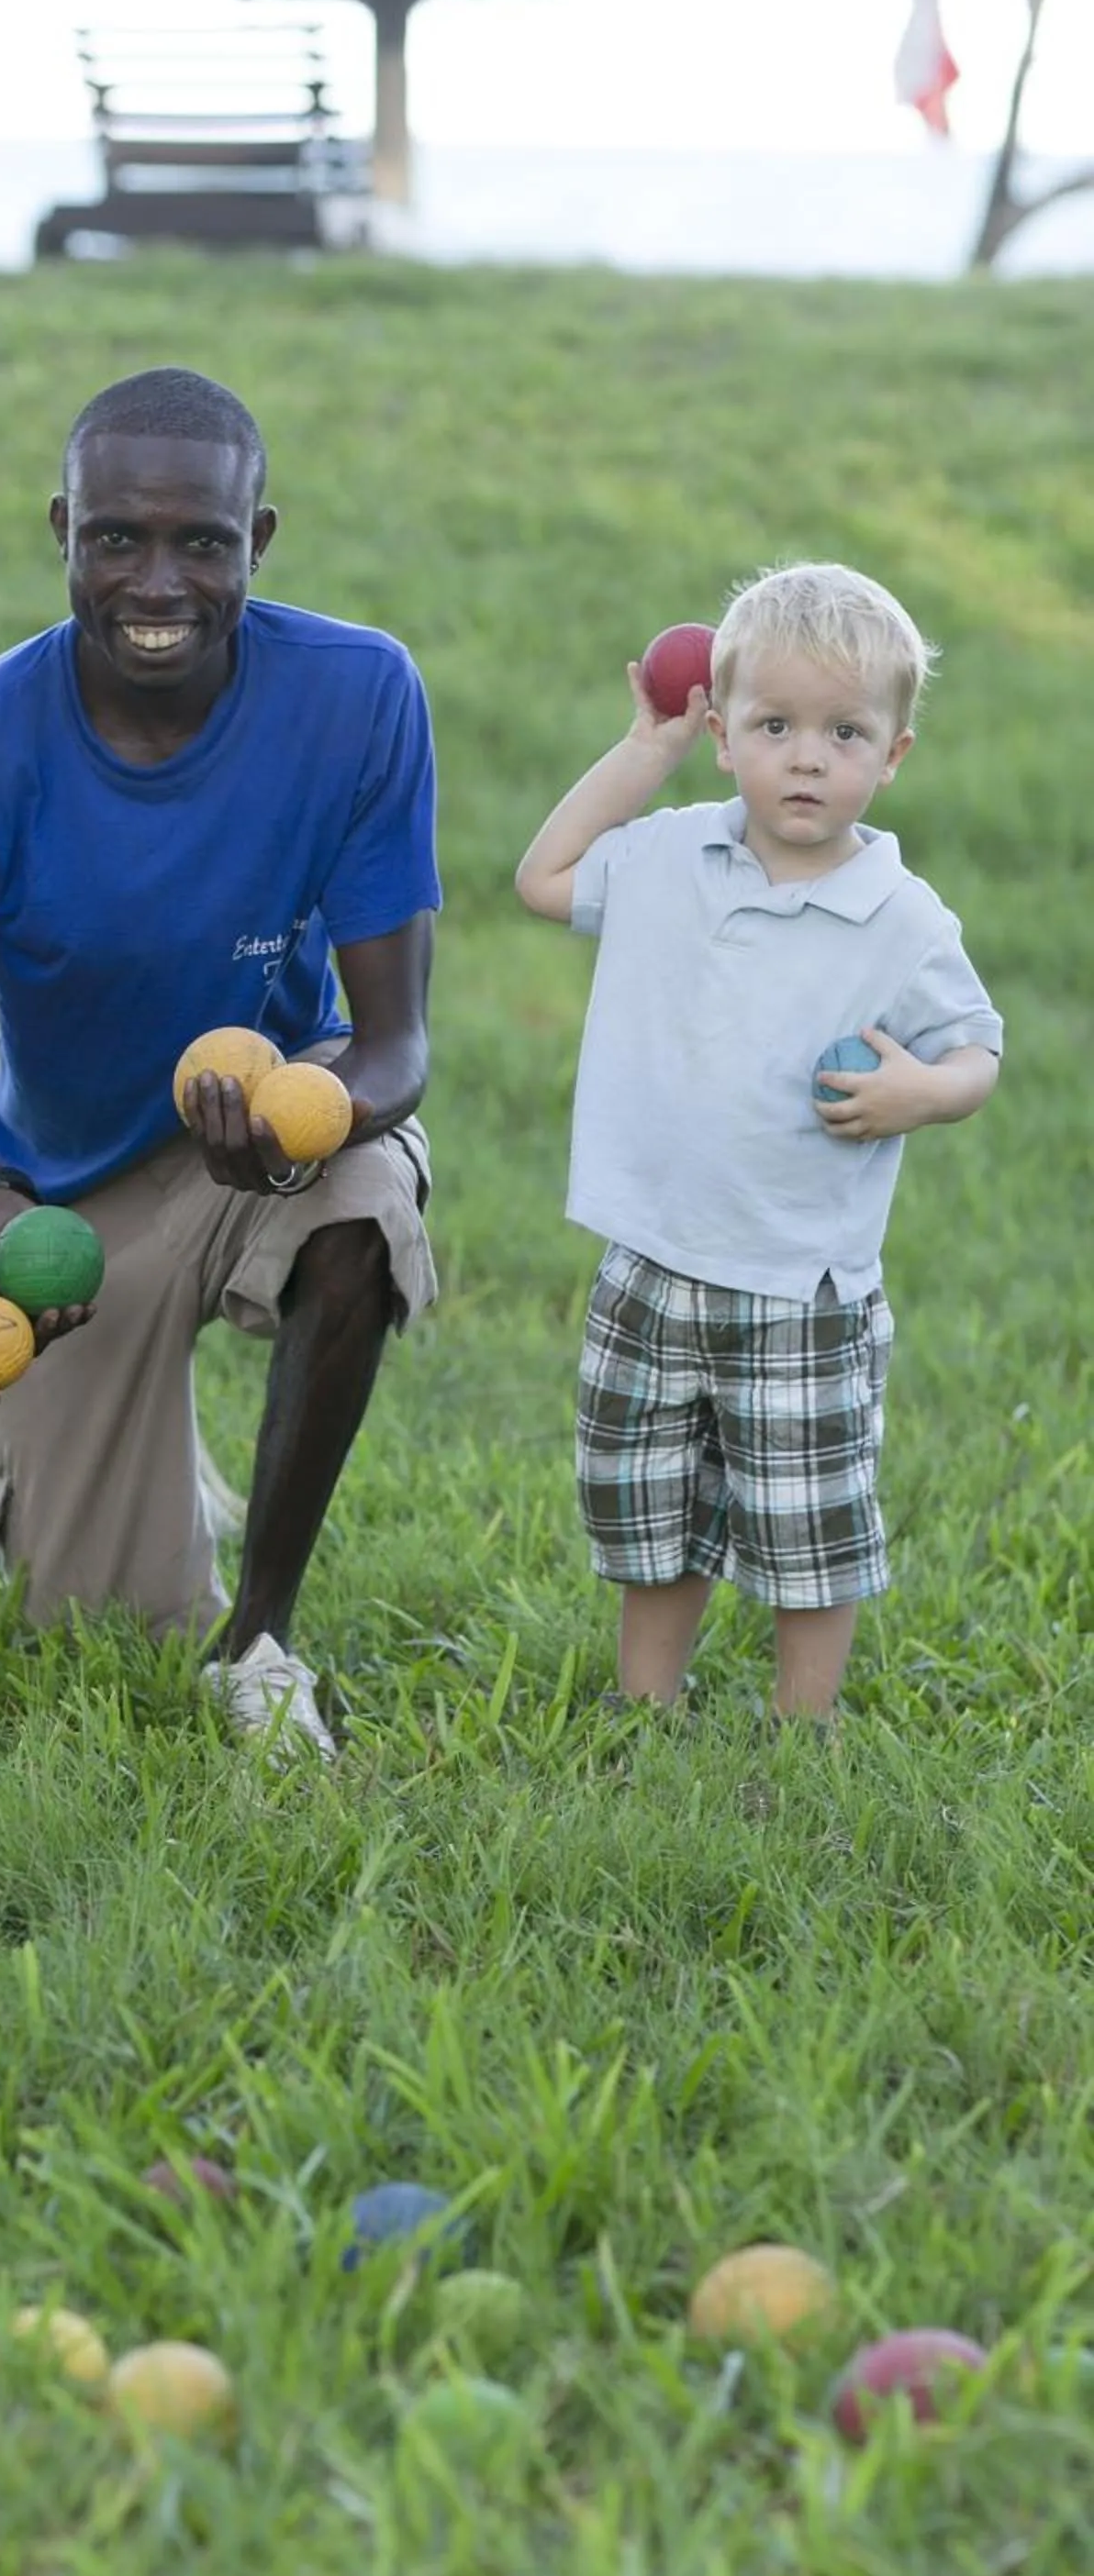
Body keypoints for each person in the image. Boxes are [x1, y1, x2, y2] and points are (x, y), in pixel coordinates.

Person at [0, 368, 441, 1760]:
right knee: (99, 1633)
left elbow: (396, 1039)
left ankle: (264, 1642)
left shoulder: (359, 694)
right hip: (66, 1195)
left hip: (274, 1130)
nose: (158, 579)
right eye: (117, 537)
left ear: (263, 540)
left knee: (362, 1208)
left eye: (205, 543)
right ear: (62, 530)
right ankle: (94, 1465)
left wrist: (328, 1117)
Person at [515, 561, 1002, 1721]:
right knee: (648, 1509)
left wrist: (915, 1096)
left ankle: (803, 1719)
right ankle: (648, 1707)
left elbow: (976, 1052)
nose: (804, 756)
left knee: (806, 1519)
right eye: (772, 725)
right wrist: (646, 749)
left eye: (843, 732)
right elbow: (542, 879)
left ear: (890, 757)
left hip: (799, 1279)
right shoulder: (669, 856)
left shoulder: (901, 915)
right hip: (650, 1257)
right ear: (723, 735)